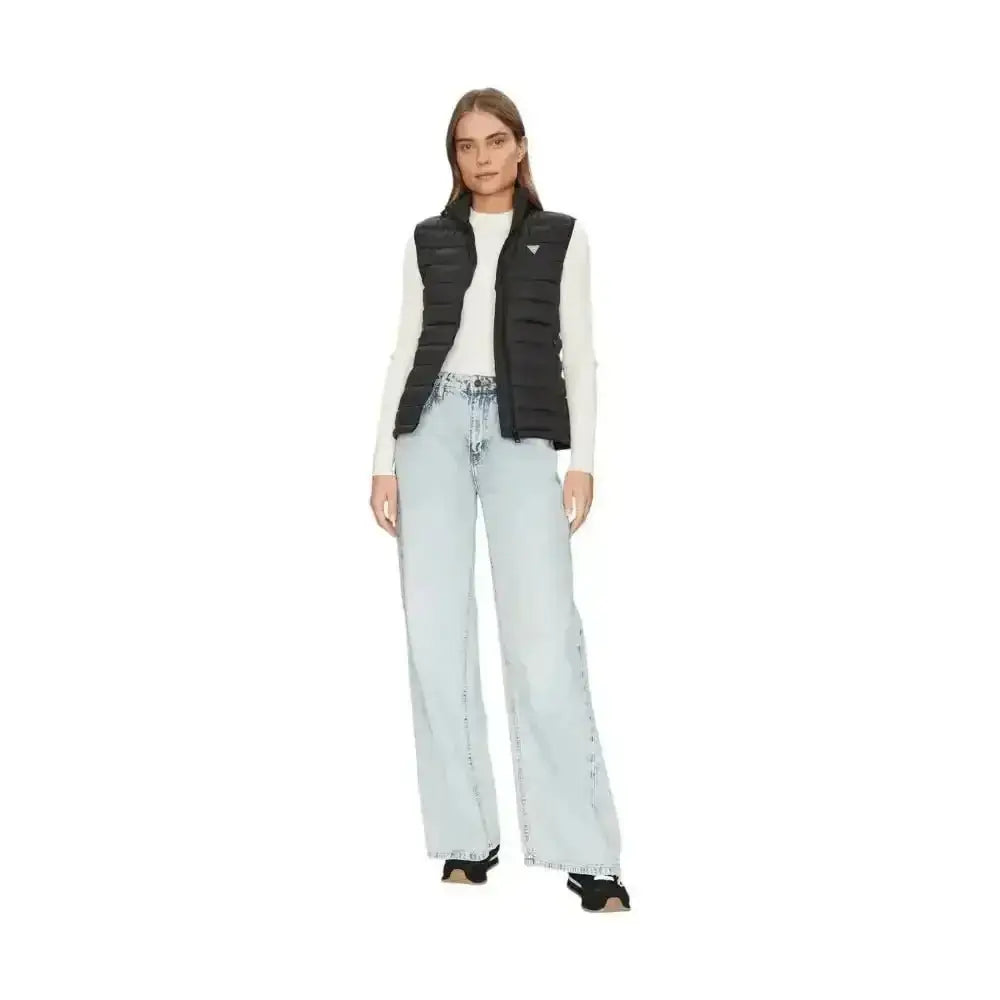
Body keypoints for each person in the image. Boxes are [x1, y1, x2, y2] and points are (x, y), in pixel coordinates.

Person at [369, 88, 629, 913]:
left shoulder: (562, 236)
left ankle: (585, 851)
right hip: (431, 431)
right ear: (454, 156)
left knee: (544, 642)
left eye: (494, 141)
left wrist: (584, 463)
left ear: (520, 147)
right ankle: (465, 838)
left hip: (522, 436)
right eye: (465, 145)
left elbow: (581, 351)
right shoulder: (428, 239)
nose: (480, 158)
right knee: (435, 637)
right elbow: (405, 347)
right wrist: (383, 462)